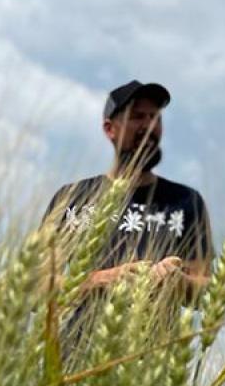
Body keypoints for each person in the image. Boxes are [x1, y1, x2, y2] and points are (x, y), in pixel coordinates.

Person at [44, 80, 213, 340]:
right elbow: (35, 286)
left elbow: (208, 288)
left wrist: (177, 282)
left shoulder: (185, 201)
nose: (148, 126)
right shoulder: (72, 198)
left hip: (148, 366)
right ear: (110, 129)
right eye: (136, 117)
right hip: (75, 359)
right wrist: (98, 281)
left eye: (154, 117)